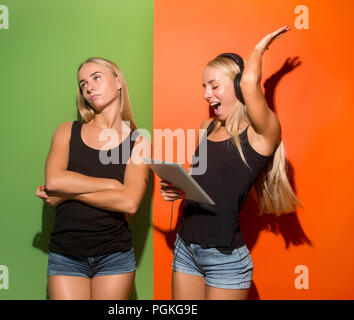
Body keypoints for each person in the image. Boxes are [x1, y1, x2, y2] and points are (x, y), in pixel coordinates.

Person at [159, 25, 300, 300]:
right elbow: (205, 181)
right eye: (204, 87)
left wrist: (260, 48)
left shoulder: (261, 134)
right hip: (186, 249)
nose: (206, 94)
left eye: (214, 86)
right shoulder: (206, 128)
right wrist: (178, 188)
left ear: (237, 86)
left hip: (225, 260)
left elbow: (250, 83)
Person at [35, 57, 150, 300]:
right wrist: (110, 185)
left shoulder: (138, 141)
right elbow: (54, 181)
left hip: (114, 256)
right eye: (83, 84)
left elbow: (129, 203)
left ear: (118, 82)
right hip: (66, 254)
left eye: (97, 77)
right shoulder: (67, 130)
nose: (89, 87)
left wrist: (69, 192)